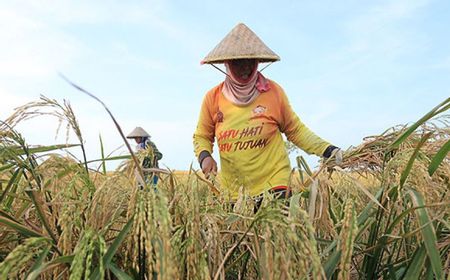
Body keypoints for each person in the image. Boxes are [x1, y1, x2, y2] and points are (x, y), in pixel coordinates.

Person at [193, 23, 342, 201]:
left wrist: (327, 150)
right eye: (238, 63)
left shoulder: (273, 92)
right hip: (234, 191)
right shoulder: (213, 98)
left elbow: (295, 130)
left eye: (250, 62)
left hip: (275, 183)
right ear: (227, 64)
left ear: (257, 63)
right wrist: (205, 156)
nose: (245, 68)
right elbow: (202, 135)